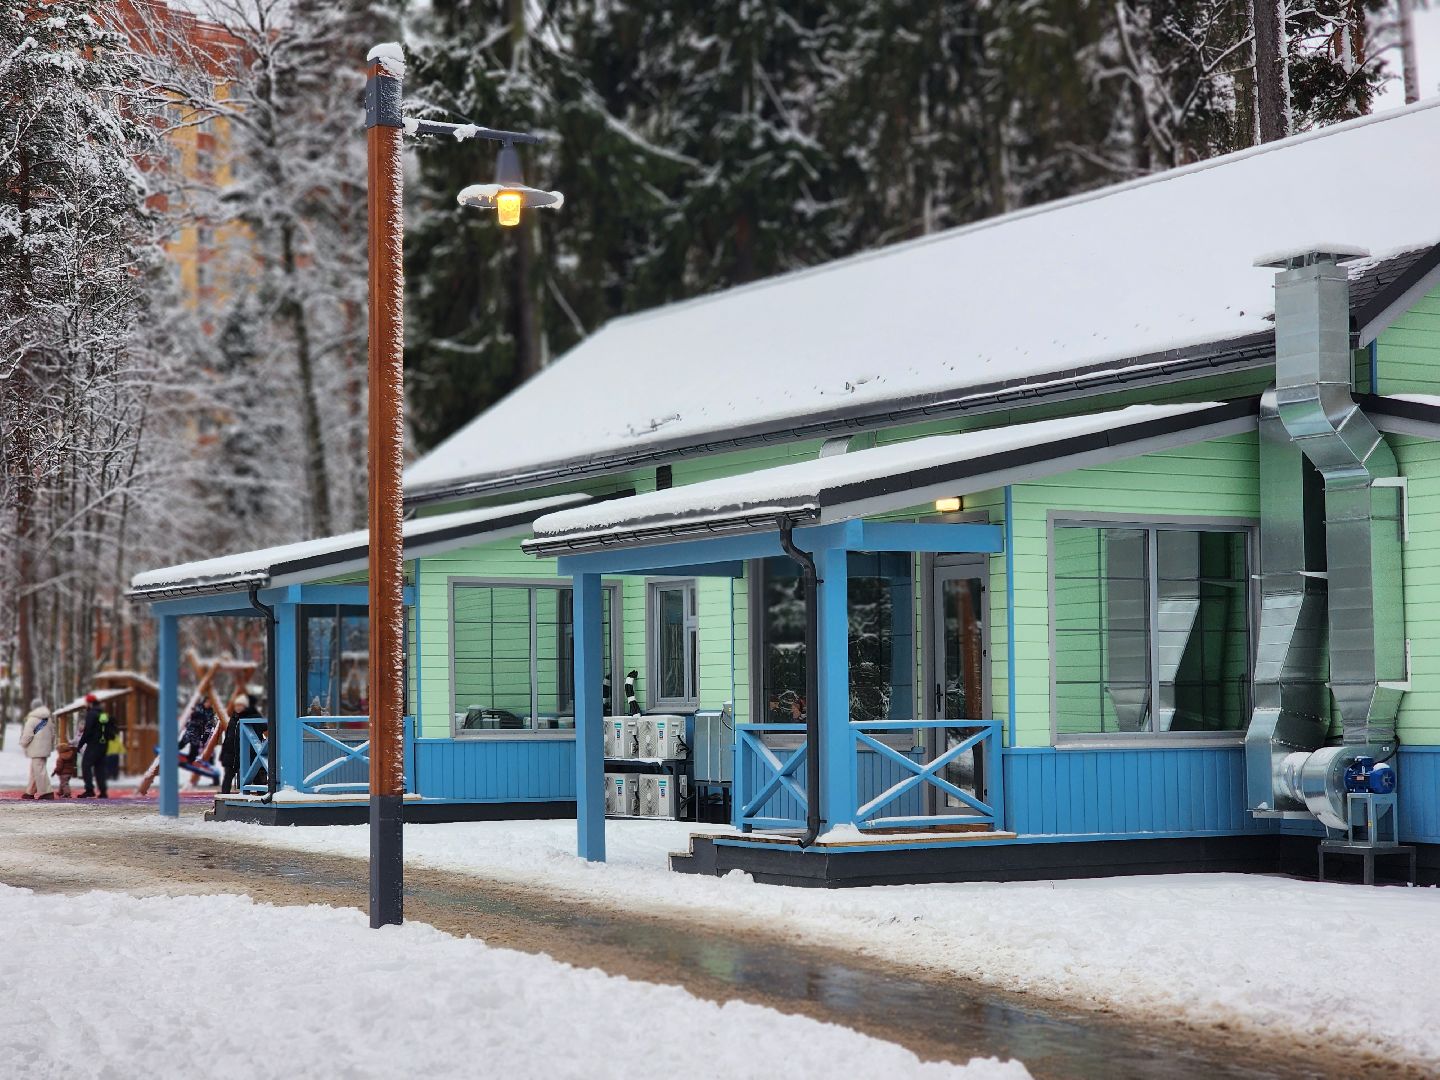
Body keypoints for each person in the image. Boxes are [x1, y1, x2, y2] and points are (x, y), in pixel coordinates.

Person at [220, 694, 260, 794]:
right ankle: (224, 798)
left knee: (254, 776)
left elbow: (262, 728)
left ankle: (262, 795)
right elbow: (228, 736)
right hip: (232, 754)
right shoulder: (233, 718)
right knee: (228, 777)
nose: (238, 707)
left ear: (245, 706)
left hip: (247, 753)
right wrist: (223, 753)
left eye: (240, 705)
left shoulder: (252, 717)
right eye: (236, 705)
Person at [76, 693, 113, 799]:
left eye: (86, 703)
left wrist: (80, 744)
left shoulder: (91, 714)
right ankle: (103, 792)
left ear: (90, 703)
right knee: (99, 768)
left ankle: (89, 790)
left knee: (85, 765)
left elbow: (88, 731)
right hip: (104, 744)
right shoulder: (103, 713)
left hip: (94, 744)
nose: (85, 704)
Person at [19, 698, 56, 801]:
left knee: (39, 771)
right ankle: (30, 792)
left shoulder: (32, 719)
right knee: (35, 770)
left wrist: (23, 743)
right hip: (45, 749)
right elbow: (53, 734)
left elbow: (27, 735)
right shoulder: (48, 719)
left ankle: (47, 792)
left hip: (36, 749)